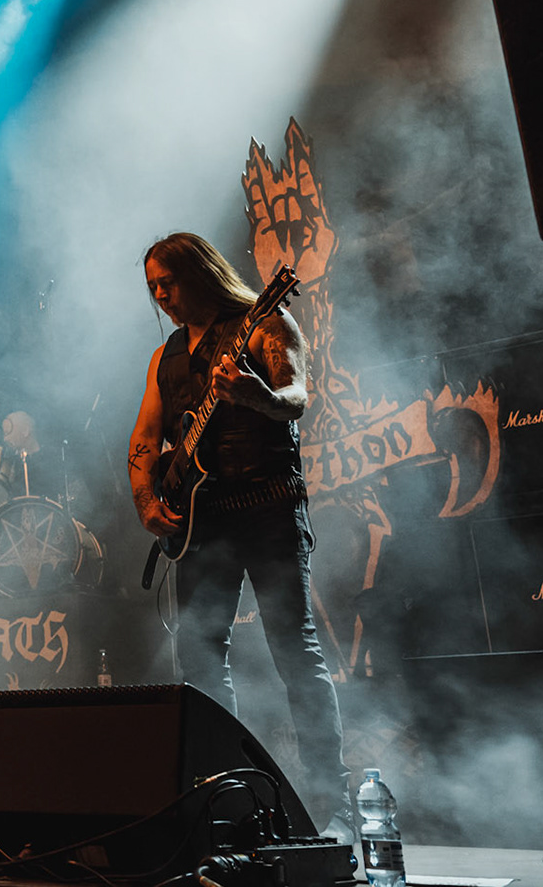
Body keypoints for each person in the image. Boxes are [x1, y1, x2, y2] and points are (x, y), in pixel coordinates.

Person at [128, 232, 350, 833]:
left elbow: (298, 398)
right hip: (202, 521)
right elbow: (147, 439)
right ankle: (227, 803)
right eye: (152, 287)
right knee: (198, 656)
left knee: (293, 650)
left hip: (268, 506)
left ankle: (334, 807)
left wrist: (260, 396)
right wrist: (148, 499)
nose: (161, 296)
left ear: (200, 274)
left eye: (168, 282)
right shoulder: (166, 356)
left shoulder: (264, 324)